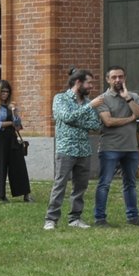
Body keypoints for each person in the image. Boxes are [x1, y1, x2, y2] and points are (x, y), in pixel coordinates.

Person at [46, 68, 105, 229]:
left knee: (80, 186)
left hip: (84, 149)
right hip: (66, 148)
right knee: (60, 184)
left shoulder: (87, 102)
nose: (91, 86)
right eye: (89, 82)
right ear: (78, 82)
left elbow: (95, 124)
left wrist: (77, 119)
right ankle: (51, 219)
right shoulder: (61, 99)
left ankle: (75, 218)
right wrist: (87, 109)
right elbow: (66, 117)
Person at [92, 65, 139, 226]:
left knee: (130, 184)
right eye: (114, 77)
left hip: (131, 148)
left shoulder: (134, 97)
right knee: (104, 184)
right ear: (108, 79)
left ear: (125, 78)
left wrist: (127, 98)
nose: (118, 80)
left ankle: (133, 216)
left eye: (121, 77)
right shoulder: (102, 99)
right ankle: (100, 218)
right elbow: (108, 121)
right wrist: (131, 119)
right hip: (110, 147)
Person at [0, 78, 30, 202]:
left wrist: (15, 113)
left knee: (19, 165)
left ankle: (25, 194)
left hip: (12, 138)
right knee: (0, 166)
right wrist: (10, 123)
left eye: (7, 91)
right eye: (3, 91)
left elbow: (18, 126)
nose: (6, 94)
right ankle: (1, 195)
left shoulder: (10, 105)